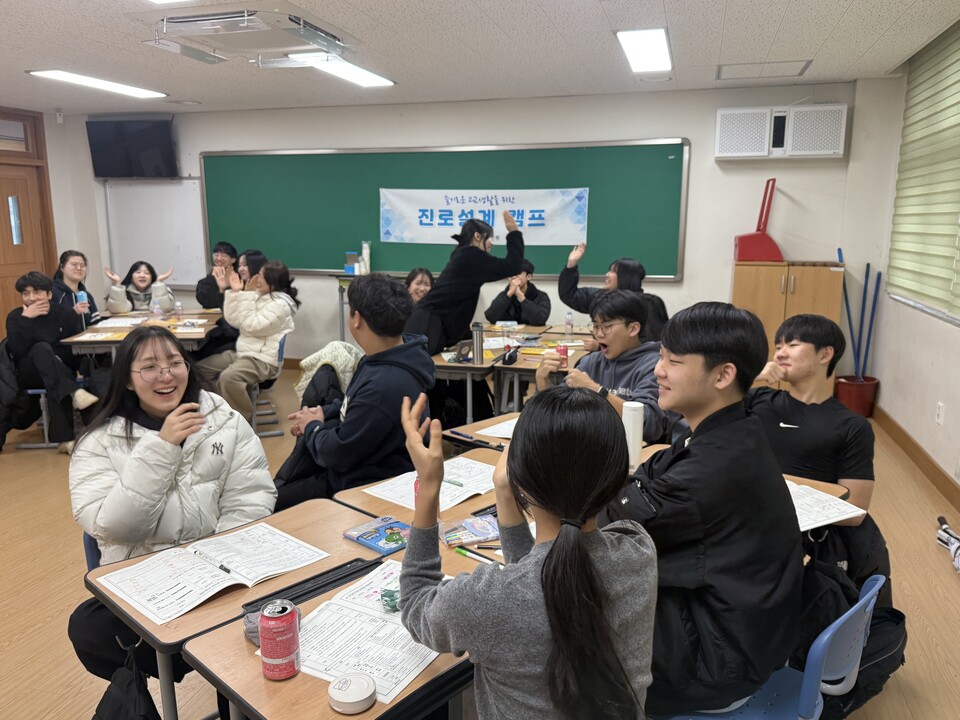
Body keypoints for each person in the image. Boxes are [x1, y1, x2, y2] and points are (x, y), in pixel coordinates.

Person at [399, 386, 657, 719]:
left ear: (522, 476)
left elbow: (416, 601)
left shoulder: (484, 603)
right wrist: (506, 494)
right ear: (619, 477)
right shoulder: (638, 550)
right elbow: (545, 575)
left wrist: (429, 485)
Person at [604, 302, 803, 715]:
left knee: (567, 606)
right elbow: (645, 477)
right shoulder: (731, 429)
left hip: (719, 662)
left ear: (723, 375)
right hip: (748, 630)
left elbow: (616, 528)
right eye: (660, 357)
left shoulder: (710, 470)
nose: (658, 371)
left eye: (673, 361)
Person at [67, 325, 275, 712]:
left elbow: (251, 498)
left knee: (260, 633)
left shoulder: (221, 418)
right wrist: (162, 448)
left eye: (174, 363)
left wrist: (221, 564)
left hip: (222, 575)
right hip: (148, 584)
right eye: (149, 367)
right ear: (127, 381)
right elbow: (114, 526)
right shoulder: (99, 442)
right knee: (87, 628)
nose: (165, 375)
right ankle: (163, 674)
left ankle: (230, 694)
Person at [748, 314, 891, 602]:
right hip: (749, 525)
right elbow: (707, 399)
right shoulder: (759, 400)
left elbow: (855, 509)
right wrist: (755, 376)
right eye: (778, 346)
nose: (780, 353)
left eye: (793, 344)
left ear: (825, 354)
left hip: (806, 537)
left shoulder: (852, 426)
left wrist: (782, 500)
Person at [281, 274, 435, 507]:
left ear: (357, 319)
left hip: (364, 488)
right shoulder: (392, 354)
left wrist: (312, 427)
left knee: (269, 506)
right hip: (359, 467)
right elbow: (354, 404)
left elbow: (337, 453)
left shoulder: (383, 384)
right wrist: (320, 413)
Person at [536, 290, 668, 442]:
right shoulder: (591, 362)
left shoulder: (654, 366)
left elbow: (649, 426)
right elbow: (556, 412)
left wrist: (597, 391)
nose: (599, 334)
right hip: (589, 446)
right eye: (596, 326)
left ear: (633, 329)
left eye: (606, 326)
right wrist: (542, 381)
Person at [405, 210, 524, 355]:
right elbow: (513, 266)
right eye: (489, 242)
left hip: (428, 322)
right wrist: (514, 233)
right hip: (428, 325)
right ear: (477, 236)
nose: (489, 248)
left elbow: (460, 298)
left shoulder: (464, 255)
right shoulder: (471, 256)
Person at [4, 271, 99, 453]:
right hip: (29, 373)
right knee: (41, 350)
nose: (31, 298)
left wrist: (55, 359)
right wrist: (27, 320)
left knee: (54, 375)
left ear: (49, 294)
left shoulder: (65, 314)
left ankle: (66, 440)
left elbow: (73, 350)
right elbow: (16, 351)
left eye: (37, 292)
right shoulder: (16, 317)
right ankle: (75, 393)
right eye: (26, 293)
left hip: (58, 370)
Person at [194, 260, 298, 422]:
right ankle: (221, 408)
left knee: (229, 377)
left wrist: (247, 296)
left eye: (262, 277)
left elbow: (252, 325)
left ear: (273, 282)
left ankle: (240, 421)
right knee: (200, 369)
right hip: (245, 352)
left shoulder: (280, 306)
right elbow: (233, 319)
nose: (257, 279)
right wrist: (235, 293)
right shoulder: (260, 296)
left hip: (262, 359)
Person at [559, 243, 668, 342]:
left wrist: (599, 348)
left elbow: (656, 341)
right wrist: (571, 265)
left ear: (625, 277)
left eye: (612, 271)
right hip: (605, 357)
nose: (607, 274)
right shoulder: (602, 298)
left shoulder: (650, 304)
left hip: (636, 360)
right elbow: (569, 295)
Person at [194, 241, 241, 359]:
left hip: (231, 331)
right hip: (212, 327)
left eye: (224, 255)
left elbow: (230, 306)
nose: (219, 258)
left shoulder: (239, 281)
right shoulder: (205, 282)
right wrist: (213, 278)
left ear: (233, 260)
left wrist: (224, 287)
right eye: (216, 254)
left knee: (199, 354)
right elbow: (205, 301)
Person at [483, 258, 551, 326]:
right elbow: (490, 317)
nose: (513, 277)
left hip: (532, 335)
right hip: (507, 335)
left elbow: (540, 320)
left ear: (529, 277)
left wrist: (521, 297)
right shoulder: (504, 296)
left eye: (517, 273)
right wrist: (508, 295)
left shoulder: (541, 297)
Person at [103, 261, 176, 313]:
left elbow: (163, 309)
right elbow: (118, 310)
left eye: (147, 273)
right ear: (131, 277)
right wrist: (117, 283)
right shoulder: (123, 291)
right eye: (138, 272)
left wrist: (159, 282)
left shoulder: (161, 289)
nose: (142, 275)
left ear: (152, 277)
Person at [53, 250, 101, 328]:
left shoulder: (87, 295)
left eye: (82, 265)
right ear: (62, 267)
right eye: (74, 264)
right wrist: (73, 312)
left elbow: (95, 323)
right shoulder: (53, 292)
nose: (79, 268)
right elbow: (52, 324)